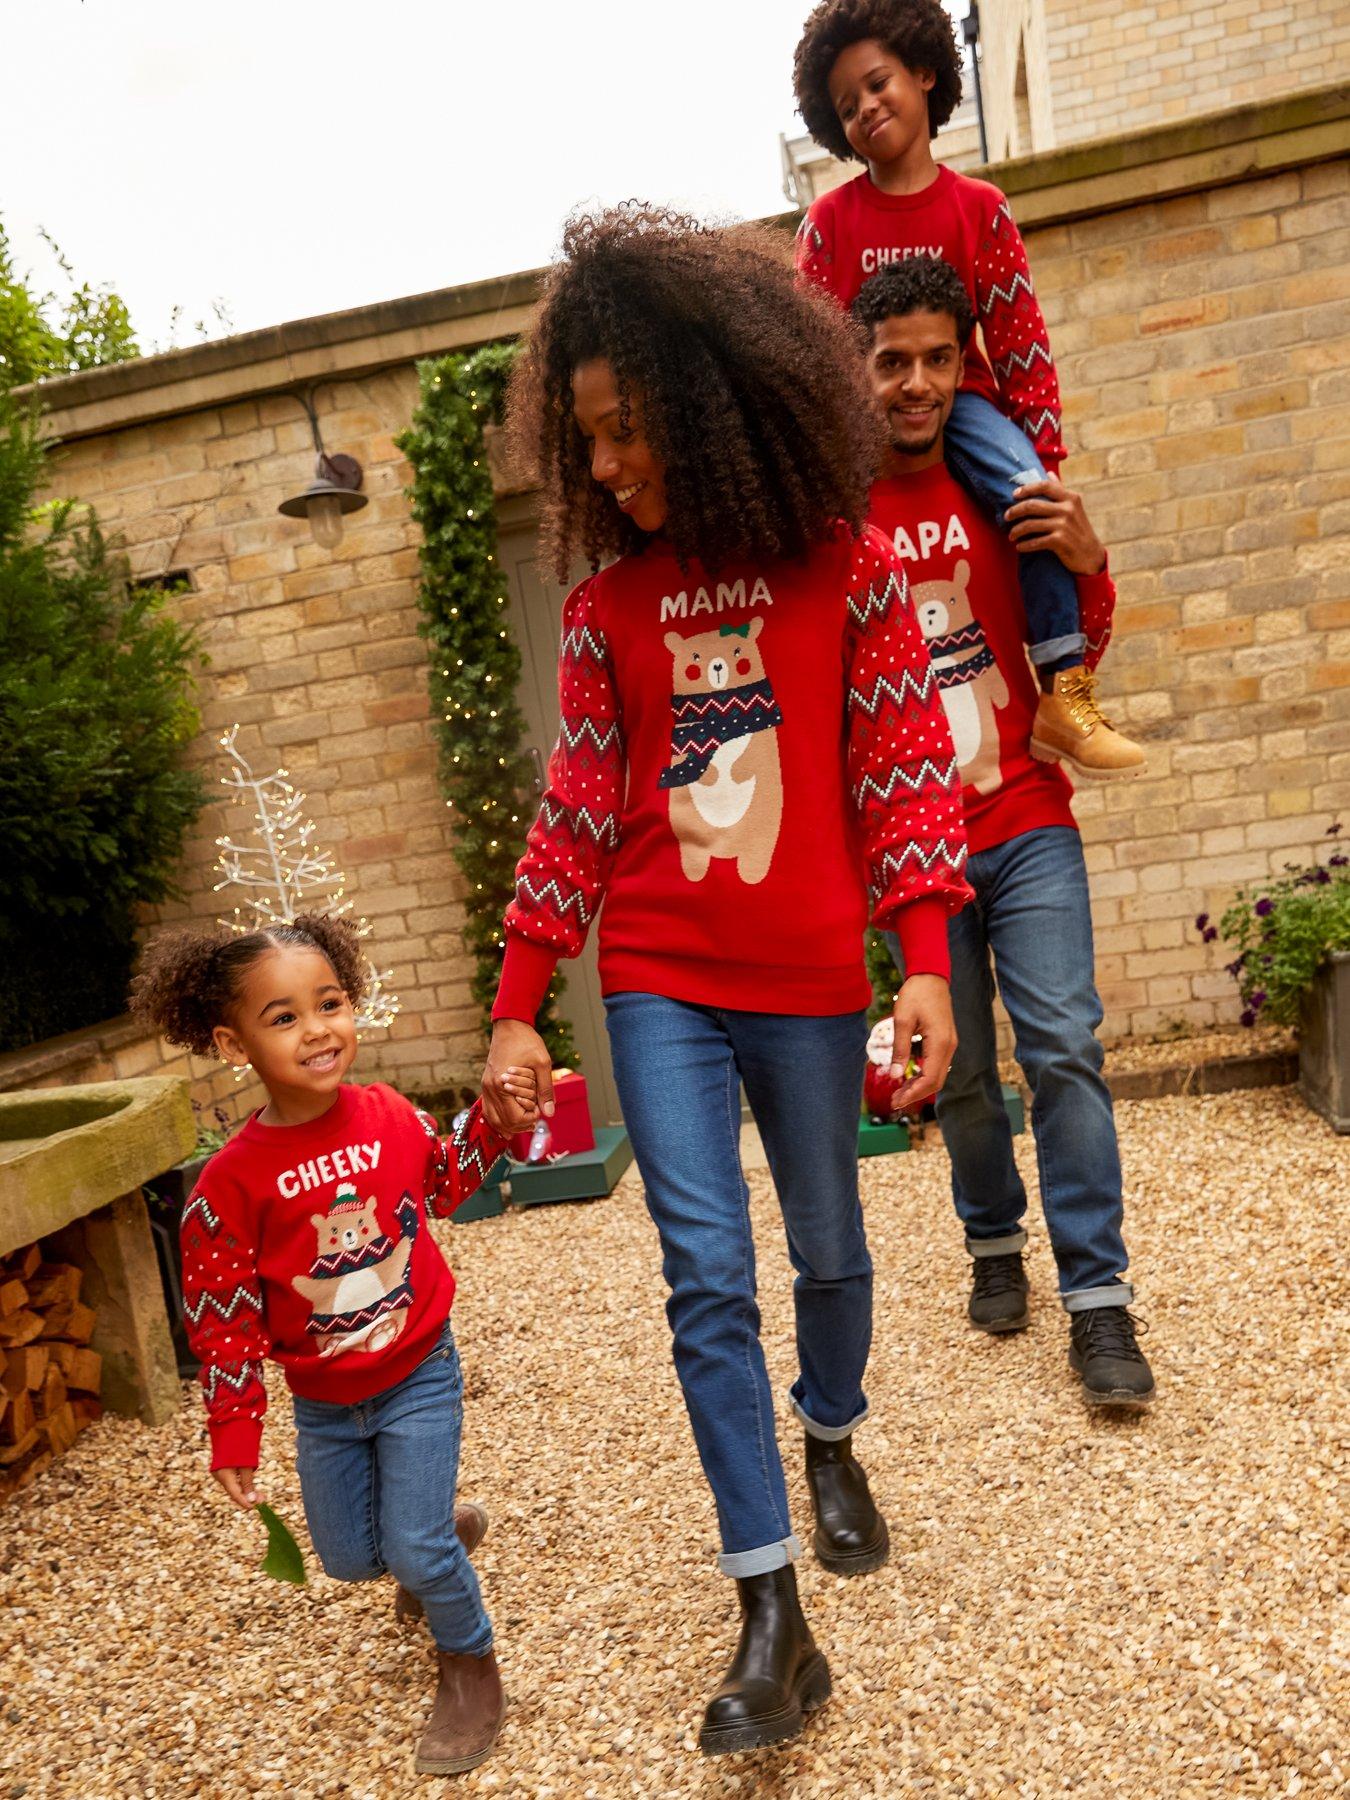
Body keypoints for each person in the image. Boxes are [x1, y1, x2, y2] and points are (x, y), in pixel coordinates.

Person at [480, 204, 970, 1755]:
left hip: (813, 972)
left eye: (627, 435)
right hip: (662, 980)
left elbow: (902, 777)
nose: (606, 467)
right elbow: (573, 818)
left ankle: (831, 1433)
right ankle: (770, 1611)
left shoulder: (851, 568)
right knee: (704, 1280)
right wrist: (514, 1003)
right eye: (589, 443)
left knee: (829, 1250)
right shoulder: (602, 610)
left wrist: (927, 967)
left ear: (706, 404)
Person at [130, 914, 538, 1776]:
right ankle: (433, 1537)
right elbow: (224, 1318)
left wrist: (492, 1123)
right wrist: (235, 1430)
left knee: (413, 1549)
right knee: (354, 1559)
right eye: (283, 1017)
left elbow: (446, 1185)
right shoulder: (226, 1185)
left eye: (330, 1003)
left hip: (419, 1370)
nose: (317, 1029)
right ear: (231, 1043)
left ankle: (469, 1664)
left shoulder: (388, 1113)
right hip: (324, 1406)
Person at [855, 254, 1155, 1408]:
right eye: (893, 363)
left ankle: (1098, 1301)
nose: (917, 383)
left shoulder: (1004, 482)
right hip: (913, 847)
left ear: (962, 364)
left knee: (1065, 1046)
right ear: (860, 371)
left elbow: (1079, 644)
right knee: (964, 1072)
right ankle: (992, 1237)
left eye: (939, 358)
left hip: (1025, 817)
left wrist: (1089, 561)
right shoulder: (840, 512)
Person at [792, 0, 1146, 779]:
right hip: (866, 424)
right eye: (846, 106)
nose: (866, 109)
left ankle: (1064, 692)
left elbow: (1021, 345)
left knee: (1031, 497)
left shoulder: (978, 209)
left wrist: (1043, 463)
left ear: (925, 73)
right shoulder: (828, 223)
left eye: (878, 84)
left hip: (971, 405)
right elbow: (810, 362)